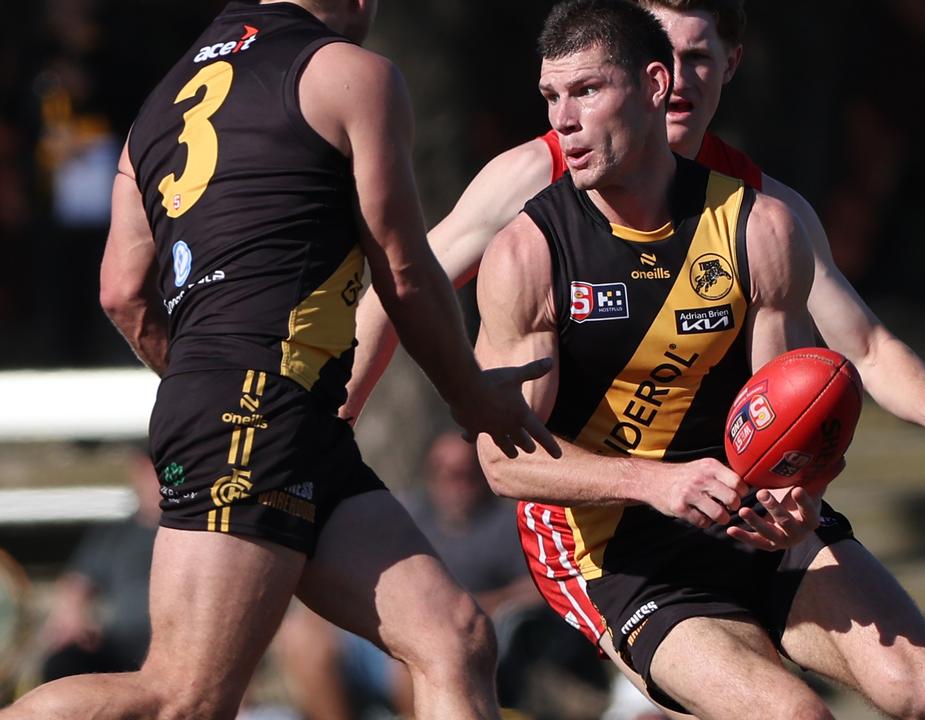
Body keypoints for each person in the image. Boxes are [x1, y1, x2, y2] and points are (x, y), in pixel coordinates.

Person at [0, 1, 559, 718]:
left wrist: (210, 386)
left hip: (279, 415)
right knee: (185, 696)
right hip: (259, 407)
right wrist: (470, 395)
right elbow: (404, 269)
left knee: (455, 638)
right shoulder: (351, 74)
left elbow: (121, 293)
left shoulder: (158, 103)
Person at [474, 1, 925, 717]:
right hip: (614, 550)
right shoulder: (528, 253)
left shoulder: (761, 224)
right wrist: (655, 484)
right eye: (551, 96)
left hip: (744, 516)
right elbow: (504, 462)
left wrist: (797, 491)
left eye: (587, 91)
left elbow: (779, 411)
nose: (563, 118)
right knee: (791, 714)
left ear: (653, 85)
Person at [274, 432, 608, 720]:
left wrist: (490, 602)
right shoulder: (404, 512)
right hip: (384, 624)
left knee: (429, 642)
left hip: (458, 630)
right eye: (444, 472)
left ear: (482, 474)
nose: (454, 482)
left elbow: (545, 583)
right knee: (301, 634)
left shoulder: (507, 525)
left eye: (464, 474)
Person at [37, 445, 158, 682]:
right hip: (124, 644)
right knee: (64, 662)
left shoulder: (193, 533)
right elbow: (76, 584)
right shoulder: (114, 534)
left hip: (178, 641)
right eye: (149, 471)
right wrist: (73, 615)